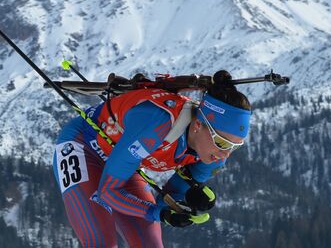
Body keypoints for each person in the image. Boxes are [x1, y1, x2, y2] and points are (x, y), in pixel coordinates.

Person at [52, 70, 251, 247]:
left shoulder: (214, 155)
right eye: (222, 142)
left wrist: (182, 206)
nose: (225, 154)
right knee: (102, 242)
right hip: (84, 146)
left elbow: (169, 195)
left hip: (125, 161)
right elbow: (109, 192)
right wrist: (159, 214)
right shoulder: (157, 123)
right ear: (198, 125)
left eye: (235, 146)